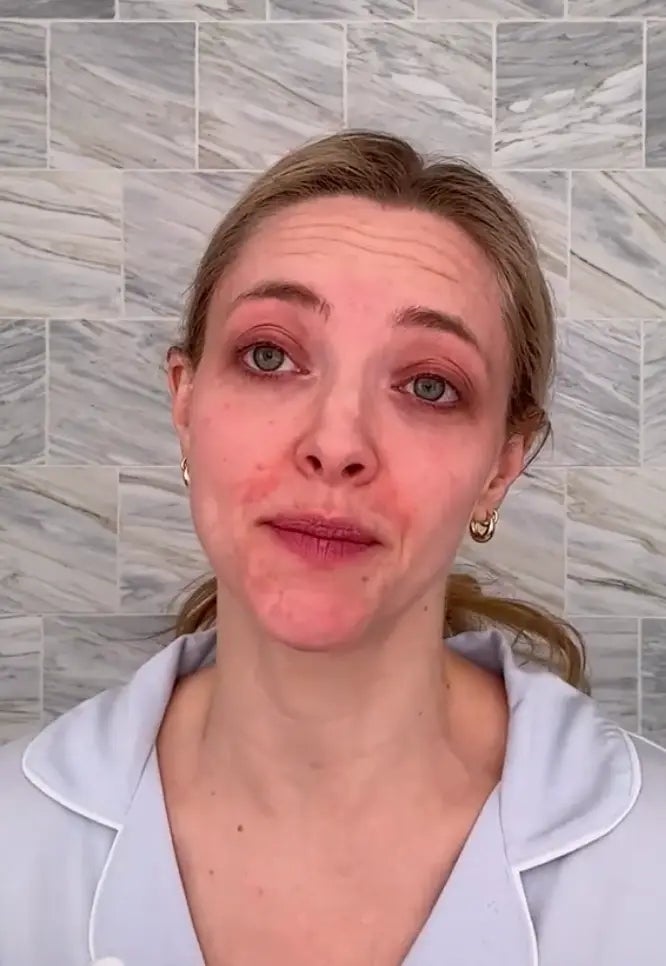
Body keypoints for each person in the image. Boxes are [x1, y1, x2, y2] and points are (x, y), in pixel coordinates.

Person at [0, 130, 664, 966]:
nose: (336, 443)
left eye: (430, 386)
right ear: (186, 404)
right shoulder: (17, 840)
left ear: (501, 467)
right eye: (269, 356)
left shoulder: (649, 863)